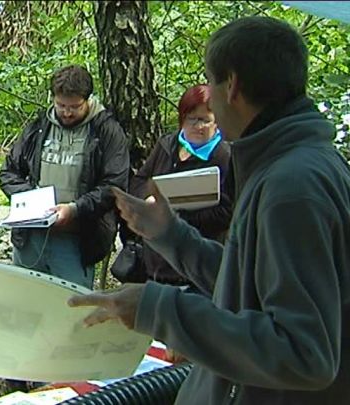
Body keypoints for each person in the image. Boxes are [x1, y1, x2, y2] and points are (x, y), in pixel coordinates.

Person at [69, 16, 350, 404]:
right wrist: (171, 236)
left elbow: (304, 353)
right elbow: (249, 286)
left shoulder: (294, 187)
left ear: (231, 85)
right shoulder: (287, 166)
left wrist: (160, 308)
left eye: (211, 85)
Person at [0, 64, 130, 290]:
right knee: (25, 306)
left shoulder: (106, 131)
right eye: (61, 105)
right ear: (53, 99)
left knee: (70, 309)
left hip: (77, 239)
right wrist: (31, 201)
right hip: (31, 237)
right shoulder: (39, 127)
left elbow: (113, 185)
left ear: (88, 100)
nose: (67, 112)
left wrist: (75, 209)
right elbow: (8, 172)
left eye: (75, 107)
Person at [127, 84, 231, 286]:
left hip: (196, 265)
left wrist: (175, 217)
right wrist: (147, 200)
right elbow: (140, 180)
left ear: (217, 122)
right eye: (192, 119)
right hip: (155, 262)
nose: (198, 126)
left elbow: (226, 211)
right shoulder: (167, 145)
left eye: (205, 120)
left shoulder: (223, 156)